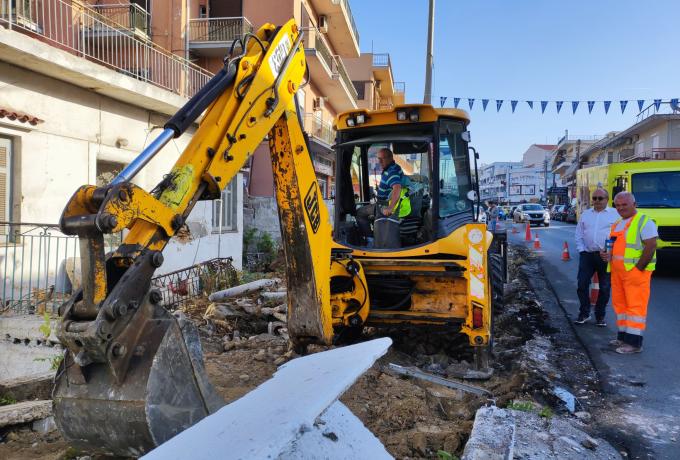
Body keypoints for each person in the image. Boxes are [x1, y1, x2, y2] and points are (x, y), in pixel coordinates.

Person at [600, 192, 657, 354]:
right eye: (617, 205)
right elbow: (613, 247)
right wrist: (606, 254)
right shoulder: (618, 223)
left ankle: (634, 344)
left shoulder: (644, 221)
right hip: (618, 273)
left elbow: (651, 245)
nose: (620, 208)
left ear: (634, 204)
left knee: (635, 308)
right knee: (621, 305)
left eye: (624, 204)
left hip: (635, 273)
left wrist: (638, 269)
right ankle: (623, 338)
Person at [573, 188, 619, 326]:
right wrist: (581, 250)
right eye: (594, 198)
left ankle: (600, 315)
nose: (597, 201)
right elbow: (579, 234)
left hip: (606, 257)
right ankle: (584, 313)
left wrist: (612, 252)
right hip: (587, 255)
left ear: (607, 199)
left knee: (605, 288)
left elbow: (620, 236)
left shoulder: (615, 215)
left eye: (600, 198)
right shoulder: (586, 214)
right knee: (582, 284)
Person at [356, 148, 410, 240]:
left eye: (383, 158)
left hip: (384, 206)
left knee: (360, 213)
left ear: (390, 158)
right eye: (379, 159)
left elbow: (397, 187)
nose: (380, 161)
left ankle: (370, 240)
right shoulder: (395, 167)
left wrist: (390, 207)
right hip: (384, 203)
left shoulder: (391, 172)